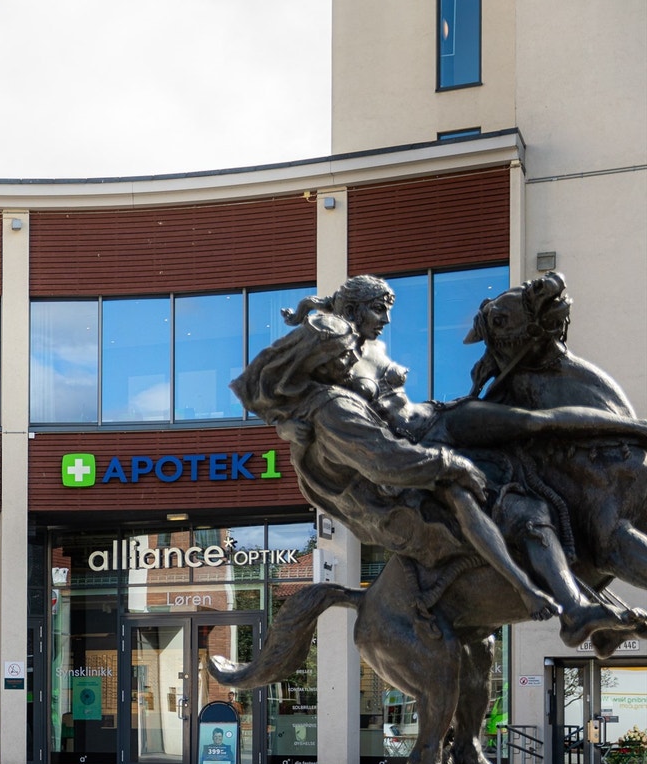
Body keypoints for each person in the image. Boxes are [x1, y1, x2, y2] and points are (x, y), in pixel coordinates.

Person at [241, 276, 647, 644]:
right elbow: (271, 385)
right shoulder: (330, 351)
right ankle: (571, 604)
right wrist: (289, 425)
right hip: (415, 452)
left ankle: (635, 431)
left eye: (387, 308)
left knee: (532, 423)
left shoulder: (371, 345)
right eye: (377, 308)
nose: (385, 318)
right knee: (514, 503)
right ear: (353, 310)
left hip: (438, 418)